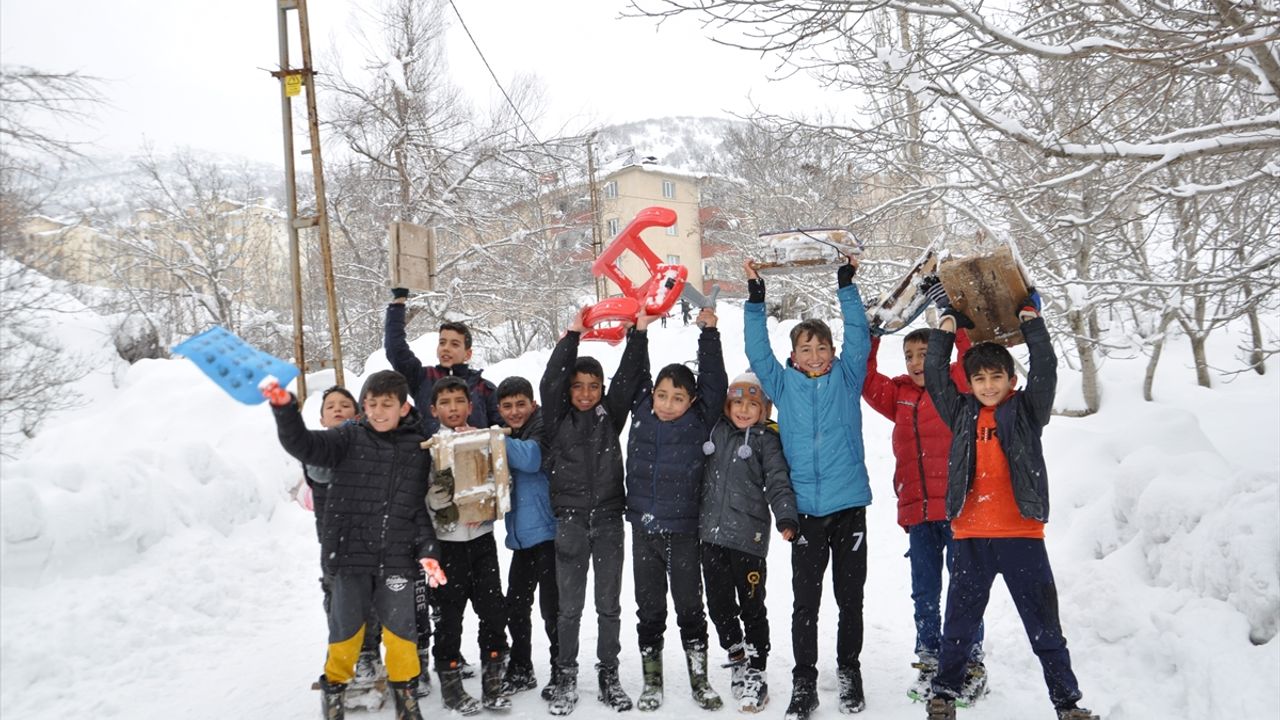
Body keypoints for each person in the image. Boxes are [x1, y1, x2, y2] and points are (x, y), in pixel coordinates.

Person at [921, 289, 1099, 720]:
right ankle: (944, 696)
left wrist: (1031, 323)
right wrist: (946, 326)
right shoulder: (961, 413)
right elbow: (936, 376)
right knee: (959, 626)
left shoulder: (1027, 412)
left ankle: (1067, 704)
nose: (988, 386)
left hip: (1022, 536)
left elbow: (1046, 369)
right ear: (969, 383)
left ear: (1010, 380)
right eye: (980, 379)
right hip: (971, 537)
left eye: (996, 377)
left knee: (1044, 627)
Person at [262, 370, 447, 720]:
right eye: (371, 404)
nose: (377, 411)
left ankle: (407, 703)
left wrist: (428, 551)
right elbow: (304, 444)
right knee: (345, 635)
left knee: (401, 636)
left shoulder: (416, 449)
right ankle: (334, 695)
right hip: (350, 557)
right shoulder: (348, 437)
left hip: (397, 560)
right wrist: (285, 409)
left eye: (386, 404)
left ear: (403, 408)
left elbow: (415, 508)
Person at [742, 256, 873, 720]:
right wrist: (756, 298)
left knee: (850, 598)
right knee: (806, 603)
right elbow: (757, 351)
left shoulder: (847, 378)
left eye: (821, 347)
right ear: (793, 355)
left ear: (832, 352)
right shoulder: (781, 385)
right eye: (805, 348)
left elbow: (860, 336)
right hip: (804, 512)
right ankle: (804, 682)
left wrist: (846, 287)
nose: (814, 355)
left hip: (848, 505)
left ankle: (849, 671)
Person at [861, 300, 988, 703]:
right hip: (917, 512)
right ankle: (930, 659)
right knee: (925, 591)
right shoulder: (898, 395)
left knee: (964, 590)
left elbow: (972, 359)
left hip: (957, 509)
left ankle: (970, 663)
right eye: (910, 355)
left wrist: (957, 323)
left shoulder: (956, 385)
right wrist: (872, 336)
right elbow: (866, 380)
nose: (917, 362)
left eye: (925, 353)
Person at [615, 306, 728, 712]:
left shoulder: (699, 419)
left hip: (683, 531)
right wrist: (639, 333)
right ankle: (652, 681)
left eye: (678, 398)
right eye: (662, 395)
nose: (667, 403)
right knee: (649, 609)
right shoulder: (641, 411)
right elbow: (633, 374)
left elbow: (715, 383)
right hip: (643, 528)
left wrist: (709, 335)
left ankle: (700, 679)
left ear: (691, 401)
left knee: (690, 607)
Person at [539, 307, 644, 716]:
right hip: (570, 521)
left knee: (608, 605)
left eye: (594, 386)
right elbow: (550, 380)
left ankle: (608, 674)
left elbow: (629, 377)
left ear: (602, 389)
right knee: (569, 607)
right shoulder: (556, 419)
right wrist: (572, 336)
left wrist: (638, 335)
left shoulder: (609, 416)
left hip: (608, 520)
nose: (586, 393)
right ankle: (565, 674)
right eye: (578, 386)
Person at [699, 371, 798, 713]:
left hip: (748, 540)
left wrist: (786, 516)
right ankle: (736, 654)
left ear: (764, 409)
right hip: (711, 537)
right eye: (737, 403)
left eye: (752, 405)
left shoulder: (766, 440)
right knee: (718, 604)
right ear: (727, 405)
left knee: (752, 606)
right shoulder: (716, 432)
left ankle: (756, 668)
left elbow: (778, 480)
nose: (743, 410)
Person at [423, 376, 511, 715]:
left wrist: (489, 504)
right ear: (434, 410)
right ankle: (451, 686)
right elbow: (420, 495)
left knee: (493, 611)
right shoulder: (429, 448)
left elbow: (500, 478)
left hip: (482, 541)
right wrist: (433, 501)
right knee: (448, 617)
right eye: (445, 403)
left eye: (459, 401)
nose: (453, 408)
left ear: (470, 406)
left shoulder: (483, 439)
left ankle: (493, 682)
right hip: (447, 546)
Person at [495, 376, 561, 700]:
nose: (514, 411)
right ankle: (521, 667)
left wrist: (492, 438)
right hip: (521, 540)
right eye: (507, 406)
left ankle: (561, 669)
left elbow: (531, 459)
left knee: (553, 610)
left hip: (548, 535)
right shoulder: (507, 433)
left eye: (521, 404)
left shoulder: (543, 426)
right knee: (516, 607)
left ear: (533, 404)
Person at [385, 287, 501, 435]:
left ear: (468, 354)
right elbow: (396, 350)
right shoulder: (422, 378)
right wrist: (399, 301)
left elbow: (501, 431)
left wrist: (478, 434)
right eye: (442, 342)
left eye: (454, 344)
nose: (446, 348)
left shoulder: (483, 388)